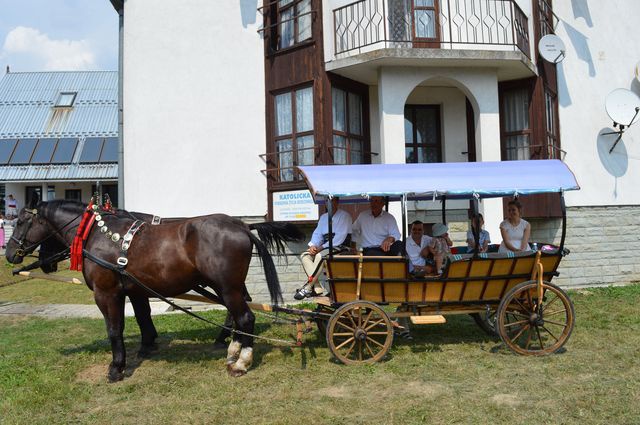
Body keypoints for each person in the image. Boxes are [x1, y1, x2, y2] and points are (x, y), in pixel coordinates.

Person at [295, 197, 352, 300]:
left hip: (341, 247)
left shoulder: (345, 216)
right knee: (305, 256)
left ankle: (308, 287)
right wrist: (313, 245)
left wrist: (321, 247)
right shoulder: (323, 217)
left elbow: (339, 238)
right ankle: (317, 287)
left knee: (319, 256)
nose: (329, 203)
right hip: (326, 247)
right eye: (327, 201)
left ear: (337, 202)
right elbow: (317, 234)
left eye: (332, 200)